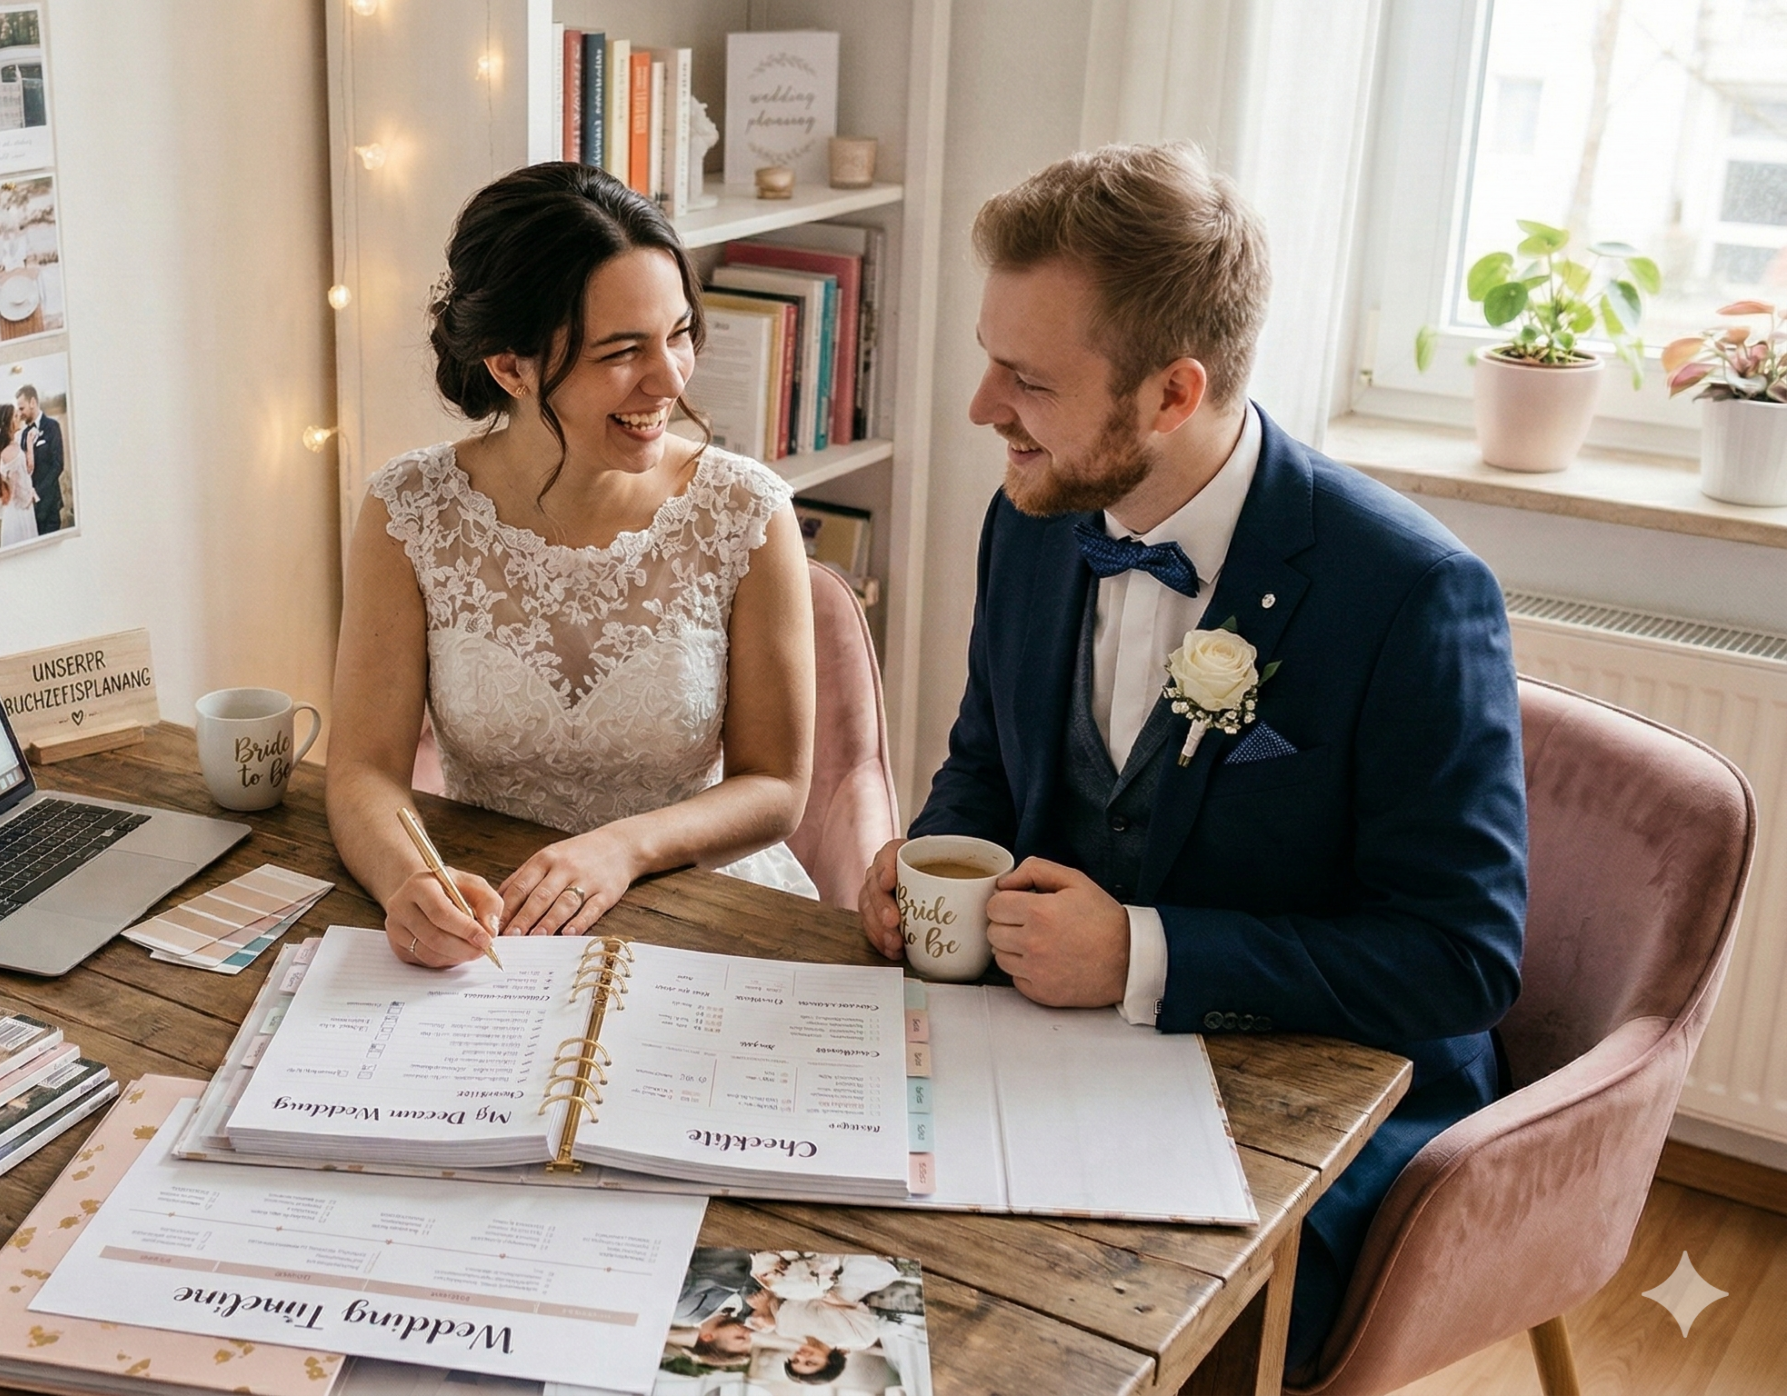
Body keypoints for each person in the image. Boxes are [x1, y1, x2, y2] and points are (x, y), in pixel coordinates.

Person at [856, 144, 1527, 1377]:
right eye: (987, 357)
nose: (980, 409)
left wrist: (1147, 952)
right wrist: (930, 862)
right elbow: (986, 765)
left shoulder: (1412, 595)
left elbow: (1460, 958)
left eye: (1026, 377)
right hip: (1041, 1057)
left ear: (1172, 394)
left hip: (1306, 1109)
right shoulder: (1033, 512)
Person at [327, 162, 816, 971]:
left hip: (706, 912)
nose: (669, 379)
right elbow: (361, 773)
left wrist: (621, 849)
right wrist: (410, 881)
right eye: (624, 351)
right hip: (502, 927)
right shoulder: (408, 510)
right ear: (511, 367)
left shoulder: (747, 512)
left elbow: (775, 789)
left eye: (679, 334)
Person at [16, 383, 63, 536]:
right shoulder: (23, 434)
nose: (20, 413)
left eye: (22, 408)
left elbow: (58, 465)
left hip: (49, 505)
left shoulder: (52, 426)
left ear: (33, 403)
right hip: (30, 511)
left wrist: (37, 492)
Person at [0, 408, 37, 547]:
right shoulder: (10, 451)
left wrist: (29, 444)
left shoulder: (12, 445)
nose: (20, 418)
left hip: (20, 504)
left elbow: (28, 469)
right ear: (9, 423)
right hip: (19, 508)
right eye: (16, 416)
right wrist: (28, 499)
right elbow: (17, 486)